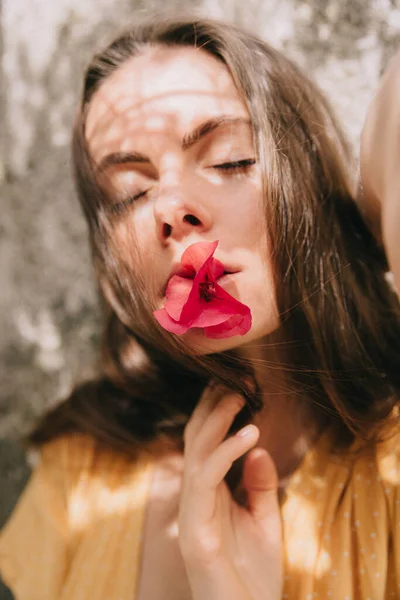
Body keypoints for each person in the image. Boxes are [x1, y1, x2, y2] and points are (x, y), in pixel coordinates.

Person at [1, 17, 400, 600]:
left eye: (231, 160)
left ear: (304, 173)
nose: (170, 207)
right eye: (129, 194)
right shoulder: (84, 471)